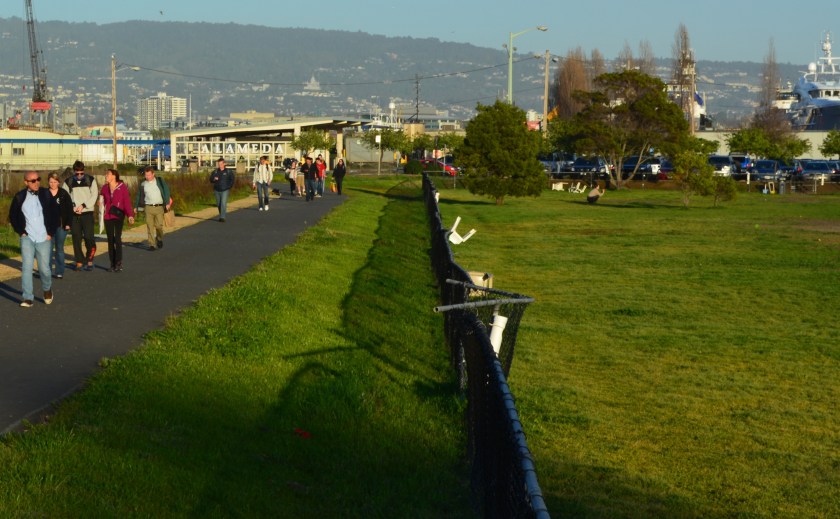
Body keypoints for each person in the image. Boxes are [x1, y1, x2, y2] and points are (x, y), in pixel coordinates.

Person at [9, 171, 59, 307]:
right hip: (28, 238)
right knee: (26, 267)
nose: (36, 182)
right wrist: (21, 232)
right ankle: (27, 298)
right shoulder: (20, 197)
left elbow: (55, 213)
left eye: (38, 179)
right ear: (26, 182)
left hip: (44, 237)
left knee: (45, 269)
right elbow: (13, 216)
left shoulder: (46, 194)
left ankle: (47, 289)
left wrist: (50, 233)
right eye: (33, 181)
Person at [63, 160, 98, 271]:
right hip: (74, 214)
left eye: (81, 173)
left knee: (89, 237)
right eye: (77, 173)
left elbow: (94, 195)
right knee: (76, 237)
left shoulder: (90, 180)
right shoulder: (68, 182)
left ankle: (89, 259)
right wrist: (72, 207)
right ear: (74, 171)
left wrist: (83, 206)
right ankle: (79, 261)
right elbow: (65, 197)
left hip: (87, 212)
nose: (79, 176)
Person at [100, 169, 135, 272]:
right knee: (110, 240)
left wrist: (130, 215)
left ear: (114, 176)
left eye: (108, 174)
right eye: (106, 174)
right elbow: (102, 200)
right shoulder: (104, 188)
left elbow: (127, 202)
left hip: (118, 215)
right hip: (108, 216)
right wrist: (100, 203)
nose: (106, 175)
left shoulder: (122, 187)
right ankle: (112, 263)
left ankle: (118, 262)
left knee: (117, 239)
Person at [135, 165, 171, 251]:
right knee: (149, 226)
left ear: (153, 174)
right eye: (146, 175)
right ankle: (151, 244)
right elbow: (139, 195)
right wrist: (136, 206)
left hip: (159, 207)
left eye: (149, 175)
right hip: (148, 207)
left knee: (159, 226)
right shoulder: (143, 183)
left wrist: (167, 203)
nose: (147, 177)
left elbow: (166, 191)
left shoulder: (159, 181)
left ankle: (159, 238)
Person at [47, 171, 73, 279]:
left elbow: (69, 210)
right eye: (51, 182)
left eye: (55, 182)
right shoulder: (44, 193)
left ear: (58, 182)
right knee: (47, 249)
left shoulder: (63, 194)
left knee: (59, 249)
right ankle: (46, 271)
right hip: (47, 227)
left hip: (61, 226)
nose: (53, 184)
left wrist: (68, 223)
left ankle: (59, 271)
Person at [209, 157, 235, 222]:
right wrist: (214, 179)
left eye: (221, 164)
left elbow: (232, 180)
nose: (220, 165)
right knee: (219, 204)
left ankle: (222, 217)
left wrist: (229, 186)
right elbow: (211, 180)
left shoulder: (228, 172)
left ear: (224, 164)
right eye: (219, 164)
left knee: (223, 203)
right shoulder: (215, 172)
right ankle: (221, 214)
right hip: (217, 189)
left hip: (225, 190)